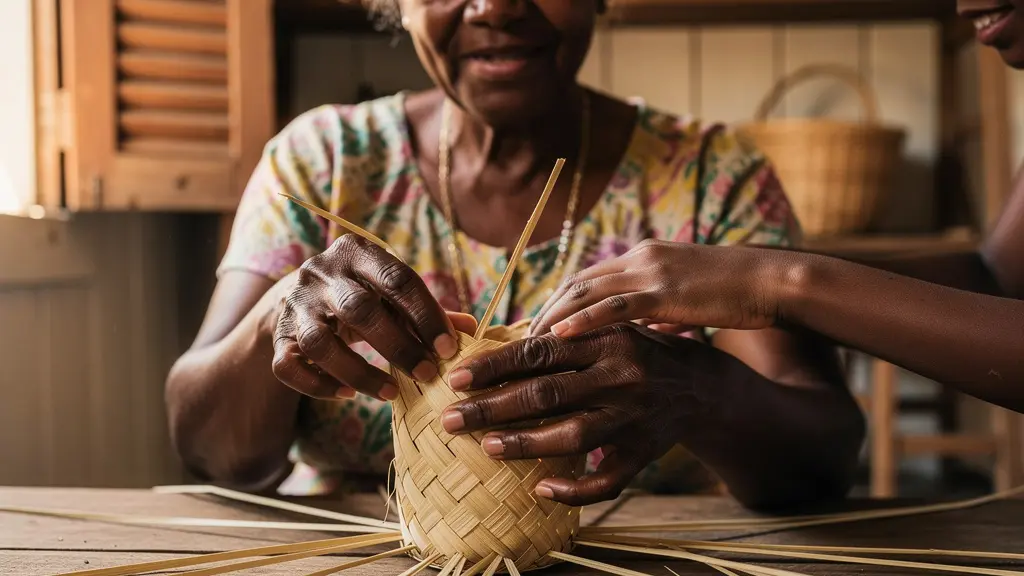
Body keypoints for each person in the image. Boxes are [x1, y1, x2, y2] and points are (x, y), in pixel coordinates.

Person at [165, 0, 865, 509]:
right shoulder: (322, 163)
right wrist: (273, 322)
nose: (496, 5)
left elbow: (822, 462)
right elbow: (208, 453)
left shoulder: (714, 176)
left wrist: (699, 392)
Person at [524, 1, 1024, 421]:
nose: (963, 5)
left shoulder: (715, 170)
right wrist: (752, 266)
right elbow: (995, 277)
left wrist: (778, 280)